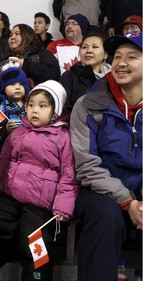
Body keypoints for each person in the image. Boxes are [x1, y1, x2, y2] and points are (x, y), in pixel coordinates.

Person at [0, 80, 79, 281]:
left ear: (55, 110)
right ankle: (4, 253)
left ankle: (37, 275)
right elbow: (2, 162)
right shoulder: (18, 133)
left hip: (42, 202)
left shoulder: (63, 137)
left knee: (36, 241)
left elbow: (69, 175)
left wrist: (63, 206)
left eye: (42, 106)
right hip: (11, 194)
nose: (35, 110)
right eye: (31, 105)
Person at [70, 31, 142, 281]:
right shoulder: (87, 105)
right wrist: (127, 200)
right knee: (106, 215)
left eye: (132, 57)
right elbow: (87, 165)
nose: (121, 62)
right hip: (100, 188)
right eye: (118, 56)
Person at [59, 31, 111, 116]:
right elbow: (63, 111)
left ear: (105, 54)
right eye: (84, 47)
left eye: (95, 47)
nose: (89, 50)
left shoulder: (112, 78)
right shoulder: (69, 77)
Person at [0, 63, 30, 142]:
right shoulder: (0, 108)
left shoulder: (31, 104)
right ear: (4, 89)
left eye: (21, 84)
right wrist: (5, 130)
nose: (18, 87)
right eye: (12, 84)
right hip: (12, 145)